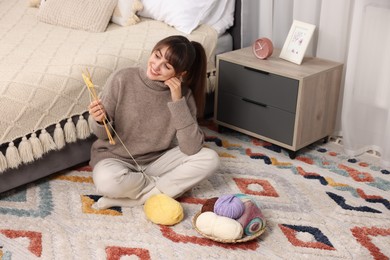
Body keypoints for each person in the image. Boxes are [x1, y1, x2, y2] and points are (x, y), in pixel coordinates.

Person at [88, 35, 220, 209]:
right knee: (107, 183)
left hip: (157, 161)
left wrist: (177, 101)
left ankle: (140, 199)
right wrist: (98, 120)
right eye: (157, 56)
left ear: (180, 74)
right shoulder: (122, 78)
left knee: (210, 159)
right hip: (115, 159)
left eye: (167, 66)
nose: (156, 66)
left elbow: (191, 148)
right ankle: (162, 189)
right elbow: (102, 135)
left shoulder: (183, 96)